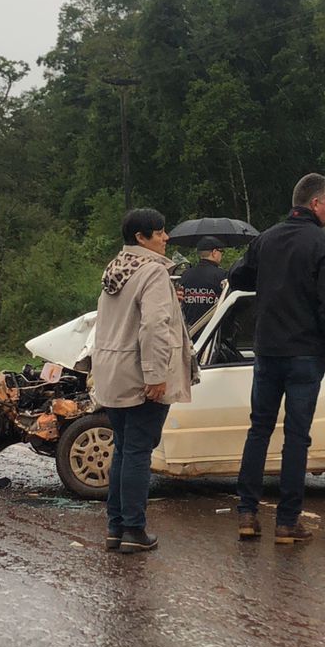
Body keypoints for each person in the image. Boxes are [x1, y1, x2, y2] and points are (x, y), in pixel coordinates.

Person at [229, 174, 325, 544]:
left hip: (268, 350)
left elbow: (237, 277)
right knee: (296, 437)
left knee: (259, 429)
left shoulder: (266, 239)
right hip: (306, 353)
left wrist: (269, 282)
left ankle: (247, 513)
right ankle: (287, 521)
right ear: (315, 204)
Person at [92, 208, 196, 554]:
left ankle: (116, 528)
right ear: (141, 238)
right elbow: (153, 327)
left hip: (112, 372)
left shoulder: (116, 269)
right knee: (137, 451)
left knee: (124, 449)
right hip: (140, 375)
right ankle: (134, 530)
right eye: (160, 232)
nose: (166, 238)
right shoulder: (152, 272)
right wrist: (156, 375)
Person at [178, 238, 226, 330]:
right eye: (221, 252)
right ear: (214, 252)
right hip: (213, 332)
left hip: (190, 331)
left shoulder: (186, 275)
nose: (222, 255)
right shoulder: (222, 275)